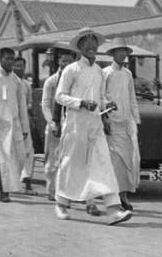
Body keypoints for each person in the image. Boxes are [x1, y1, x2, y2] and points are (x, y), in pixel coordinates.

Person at [54, 27, 132, 226]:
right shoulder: (71, 70)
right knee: (72, 163)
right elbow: (60, 96)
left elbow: (100, 97)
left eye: (94, 42)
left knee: (103, 163)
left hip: (95, 124)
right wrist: (80, 103)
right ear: (79, 47)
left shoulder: (99, 70)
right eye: (86, 42)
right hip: (75, 124)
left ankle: (113, 210)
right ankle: (61, 204)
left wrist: (108, 104)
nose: (91, 45)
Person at [0, 48, 30, 202]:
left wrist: (24, 127)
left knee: (21, 157)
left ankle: (7, 185)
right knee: (3, 159)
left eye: (12, 59)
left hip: (15, 124)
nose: (10, 62)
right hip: (0, 125)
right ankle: (4, 191)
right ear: (0, 59)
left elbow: (22, 105)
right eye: (7, 59)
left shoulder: (17, 81)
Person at [102, 37, 141, 211]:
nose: (122, 54)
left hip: (126, 123)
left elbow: (132, 98)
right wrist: (104, 118)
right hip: (112, 122)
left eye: (124, 51)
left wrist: (135, 120)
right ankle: (118, 198)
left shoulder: (128, 74)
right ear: (113, 54)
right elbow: (101, 96)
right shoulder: (106, 73)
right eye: (118, 51)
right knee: (115, 162)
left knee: (128, 161)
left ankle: (124, 195)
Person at [41, 50, 75, 201]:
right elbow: (46, 105)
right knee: (53, 160)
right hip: (55, 126)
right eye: (63, 61)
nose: (66, 64)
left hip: (71, 126)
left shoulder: (75, 81)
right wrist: (53, 123)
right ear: (59, 62)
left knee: (69, 160)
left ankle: (67, 192)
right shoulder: (51, 82)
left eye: (69, 61)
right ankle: (51, 190)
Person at [13, 56, 37, 195]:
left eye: (22, 66)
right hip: (12, 123)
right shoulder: (9, 82)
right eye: (16, 66)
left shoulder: (26, 84)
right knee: (15, 153)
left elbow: (29, 103)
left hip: (25, 122)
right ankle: (12, 182)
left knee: (29, 151)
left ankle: (27, 182)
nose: (19, 68)